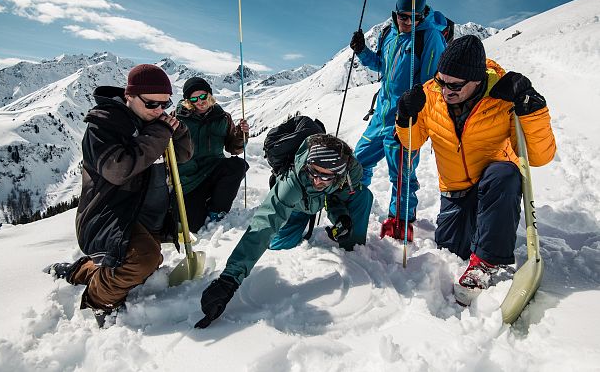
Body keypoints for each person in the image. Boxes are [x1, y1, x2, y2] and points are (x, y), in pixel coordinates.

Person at [394, 35, 556, 303]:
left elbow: (539, 157)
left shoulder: (504, 97)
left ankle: (486, 262)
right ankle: (484, 232)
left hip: (492, 184)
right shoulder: (430, 95)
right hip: (454, 191)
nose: (446, 91)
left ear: (477, 81)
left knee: (505, 174)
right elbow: (411, 141)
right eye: (441, 81)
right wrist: (404, 116)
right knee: (452, 250)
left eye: (455, 86)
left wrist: (532, 110)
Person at [46, 64, 193, 327]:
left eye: (165, 103)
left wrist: (178, 132)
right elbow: (118, 169)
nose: (160, 110)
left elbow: (182, 156)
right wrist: (159, 133)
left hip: (144, 213)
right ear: (130, 96)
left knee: (150, 259)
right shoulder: (103, 125)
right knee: (143, 260)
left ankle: (79, 271)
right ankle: (98, 299)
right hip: (110, 214)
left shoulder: (151, 120)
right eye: (151, 104)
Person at [194, 134, 374, 328]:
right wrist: (229, 280)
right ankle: (299, 220)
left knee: (363, 196)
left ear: (339, 174)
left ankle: (353, 248)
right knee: (278, 242)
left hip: (320, 200)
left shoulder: (350, 174)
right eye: (314, 172)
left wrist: (341, 218)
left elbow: (338, 195)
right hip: (297, 205)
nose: (317, 180)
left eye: (325, 176)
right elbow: (264, 225)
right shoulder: (293, 182)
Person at [349, 0, 448, 241]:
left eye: (414, 17)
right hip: (381, 114)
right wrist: (362, 52)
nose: (408, 22)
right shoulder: (389, 34)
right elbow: (381, 65)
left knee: (402, 173)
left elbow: (432, 84)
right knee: (358, 162)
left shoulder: (430, 38)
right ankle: (353, 202)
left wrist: (414, 112)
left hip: (405, 119)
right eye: (403, 16)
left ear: (423, 14)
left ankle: (401, 219)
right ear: (395, 13)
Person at [175, 77, 249, 233]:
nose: (200, 101)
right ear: (188, 101)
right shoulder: (177, 119)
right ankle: (203, 200)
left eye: (203, 96)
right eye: (194, 98)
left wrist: (240, 135)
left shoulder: (223, 117)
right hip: (190, 178)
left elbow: (233, 149)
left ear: (209, 94)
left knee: (238, 165)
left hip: (214, 168)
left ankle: (217, 209)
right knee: (194, 225)